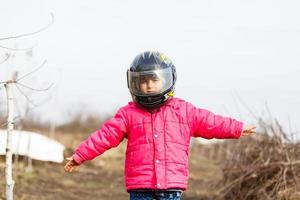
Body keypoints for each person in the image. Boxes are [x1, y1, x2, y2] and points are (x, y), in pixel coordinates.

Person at [64, 51, 255, 200]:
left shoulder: (184, 111)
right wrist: (80, 155)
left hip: (171, 186)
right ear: (134, 83)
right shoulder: (128, 114)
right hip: (140, 187)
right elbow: (105, 136)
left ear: (166, 79)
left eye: (154, 80)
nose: (148, 86)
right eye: (143, 81)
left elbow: (212, 123)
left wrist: (236, 127)